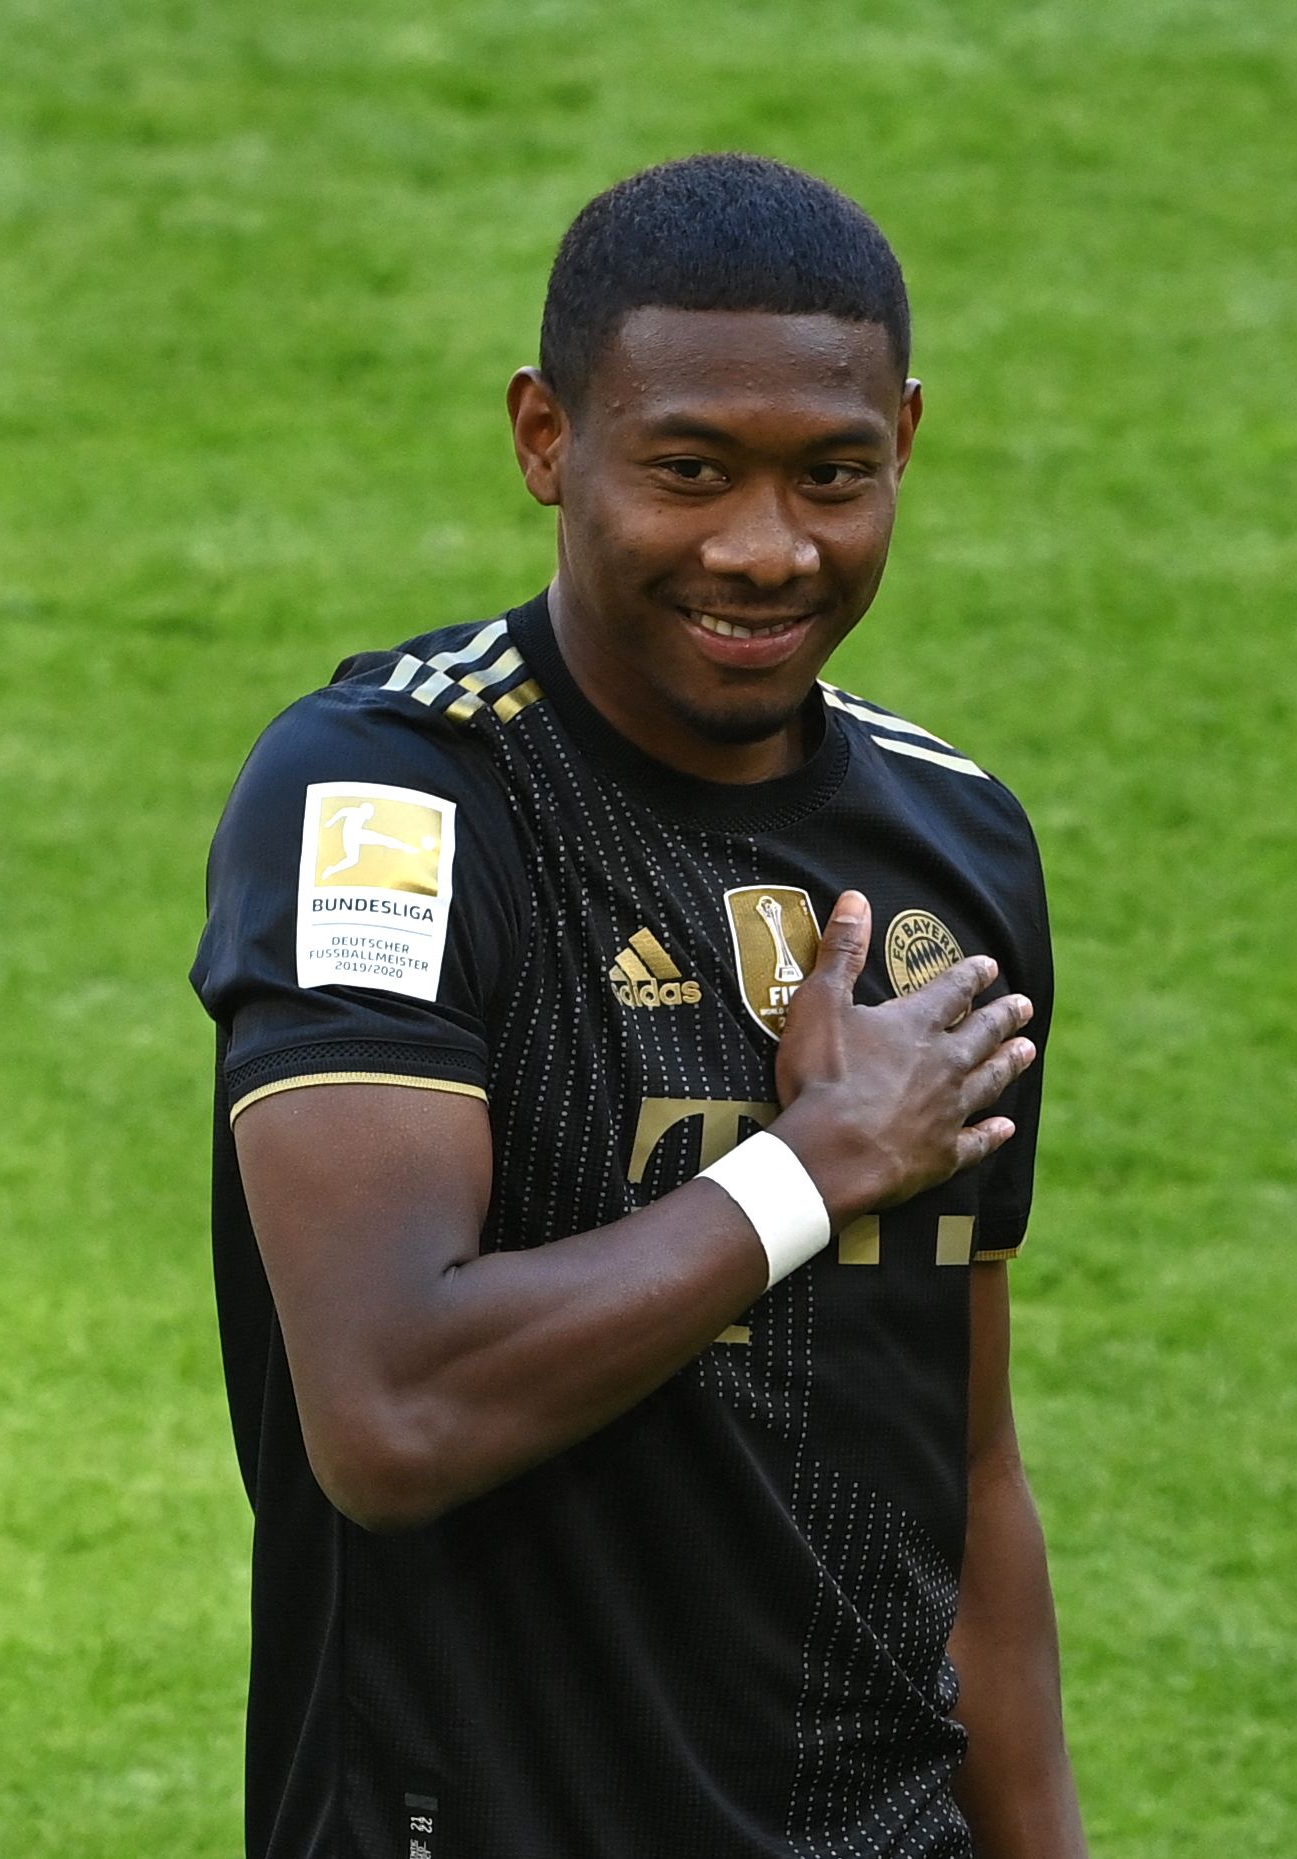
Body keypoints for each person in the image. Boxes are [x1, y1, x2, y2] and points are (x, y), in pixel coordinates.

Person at [190, 153, 1085, 1858]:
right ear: (547, 439)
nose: (767, 549)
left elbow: (964, 1471)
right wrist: (811, 1170)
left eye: (835, 475)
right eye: (690, 472)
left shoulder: (953, 844)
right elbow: (393, 1412)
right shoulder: (392, 808)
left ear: (906, 440)